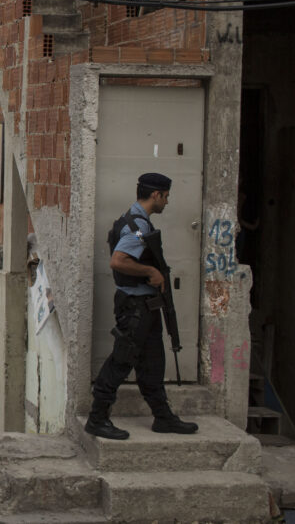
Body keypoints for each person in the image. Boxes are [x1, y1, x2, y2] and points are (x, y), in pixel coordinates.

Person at [86, 173, 199, 440]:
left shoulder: (137, 221)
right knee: (122, 360)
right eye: (166, 196)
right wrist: (150, 271)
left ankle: (163, 417)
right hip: (135, 306)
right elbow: (118, 261)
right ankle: (97, 418)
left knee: (153, 362)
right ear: (156, 195)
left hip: (145, 306)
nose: (167, 202)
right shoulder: (137, 226)